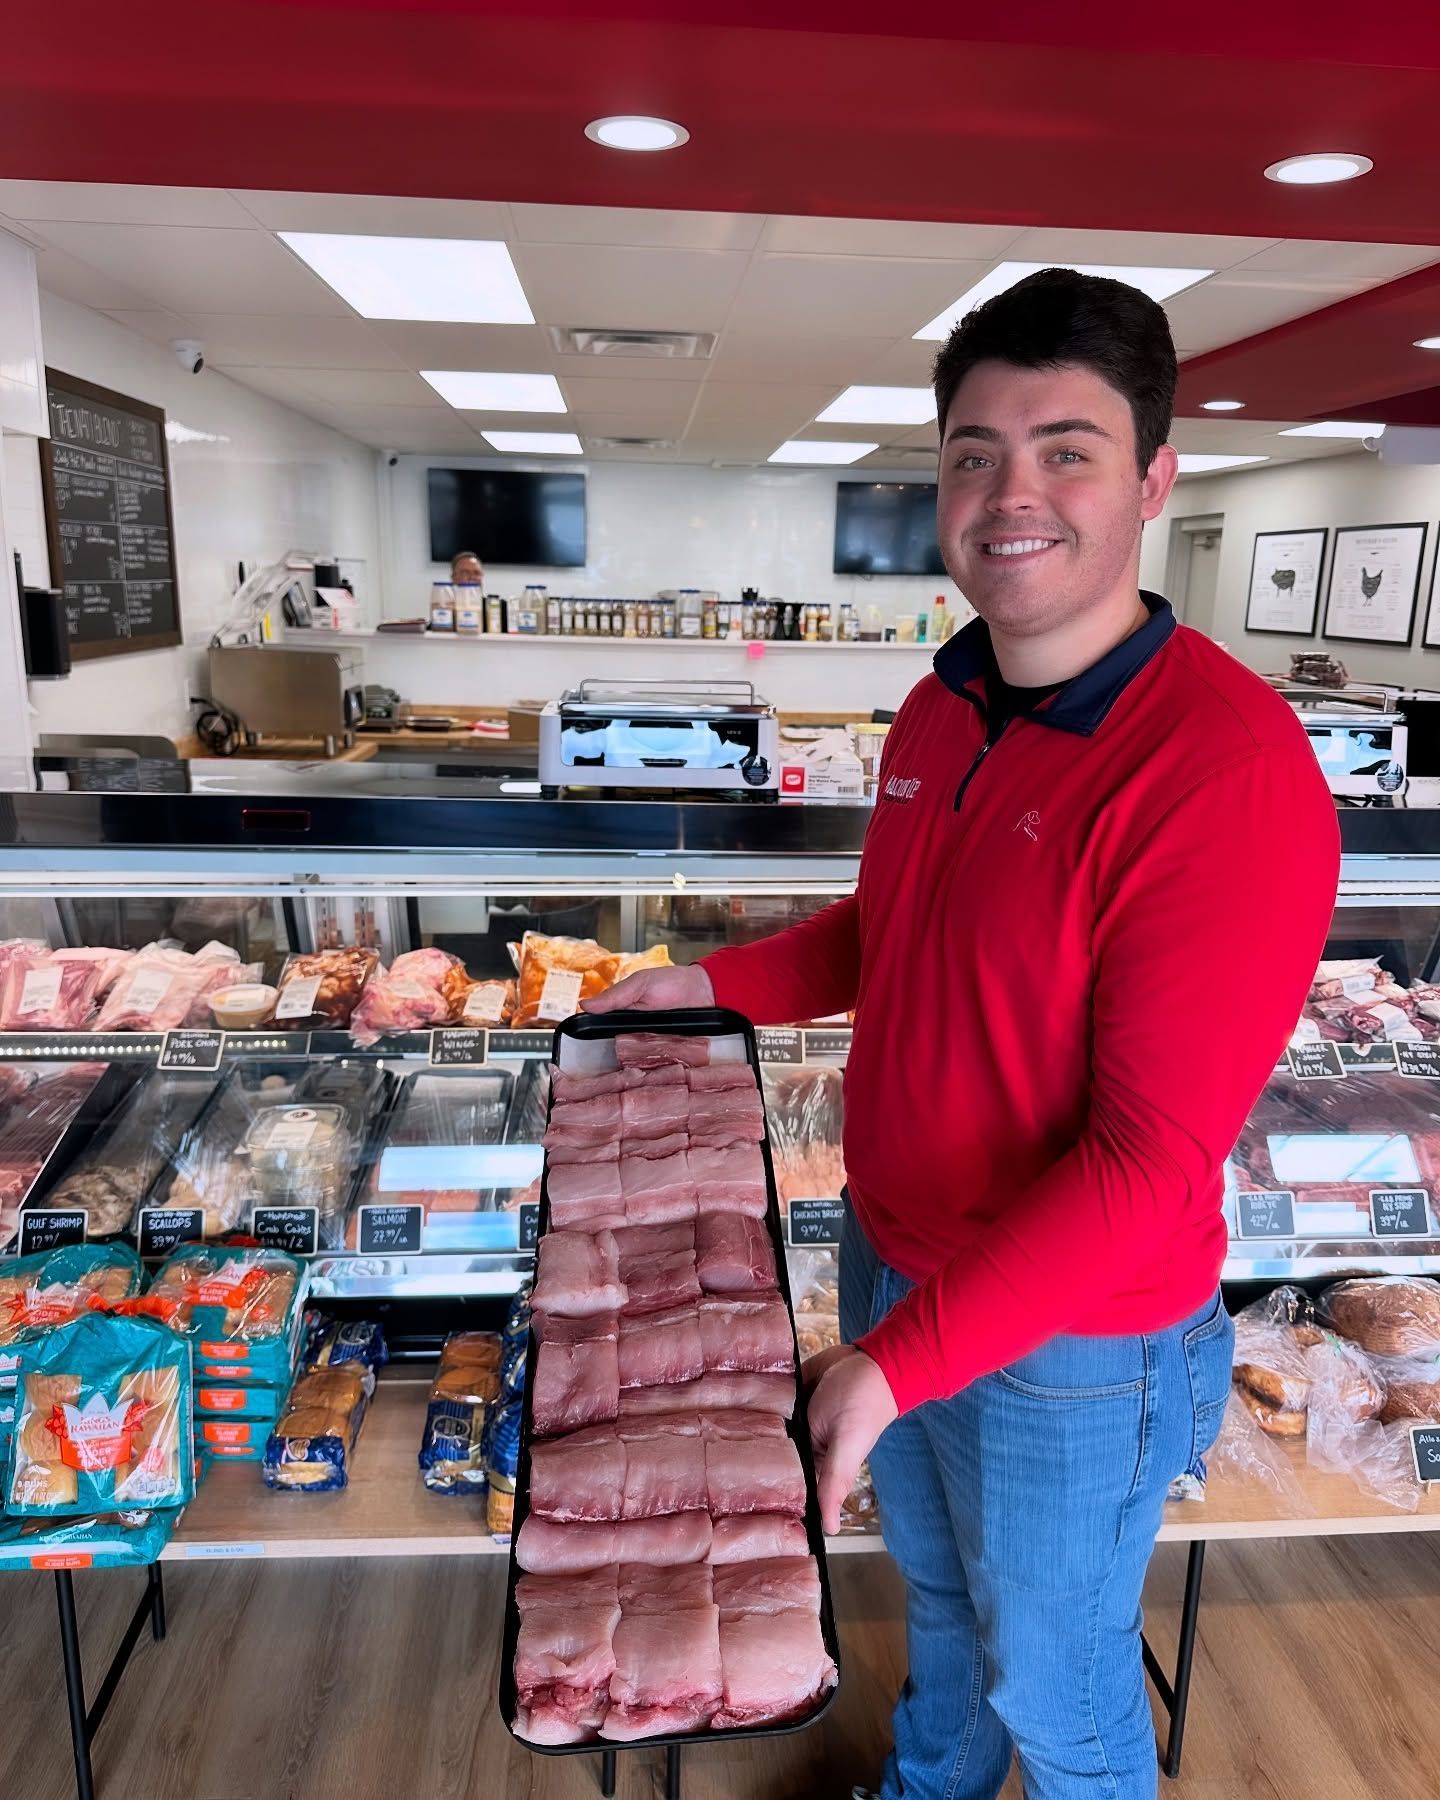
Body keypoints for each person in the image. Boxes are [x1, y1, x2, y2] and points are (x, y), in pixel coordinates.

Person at [586, 268, 1340, 1799]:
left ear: (1155, 481)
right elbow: (898, 934)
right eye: (976, 452)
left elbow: (1146, 1162)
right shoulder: (945, 703)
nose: (1014, 493)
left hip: (1077, 1341)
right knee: (937, 1606)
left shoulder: (1224, 773)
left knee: (1055, 1685)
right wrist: (716, 986)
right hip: (892, 1252)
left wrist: (888, 1366)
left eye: (1068, 447)